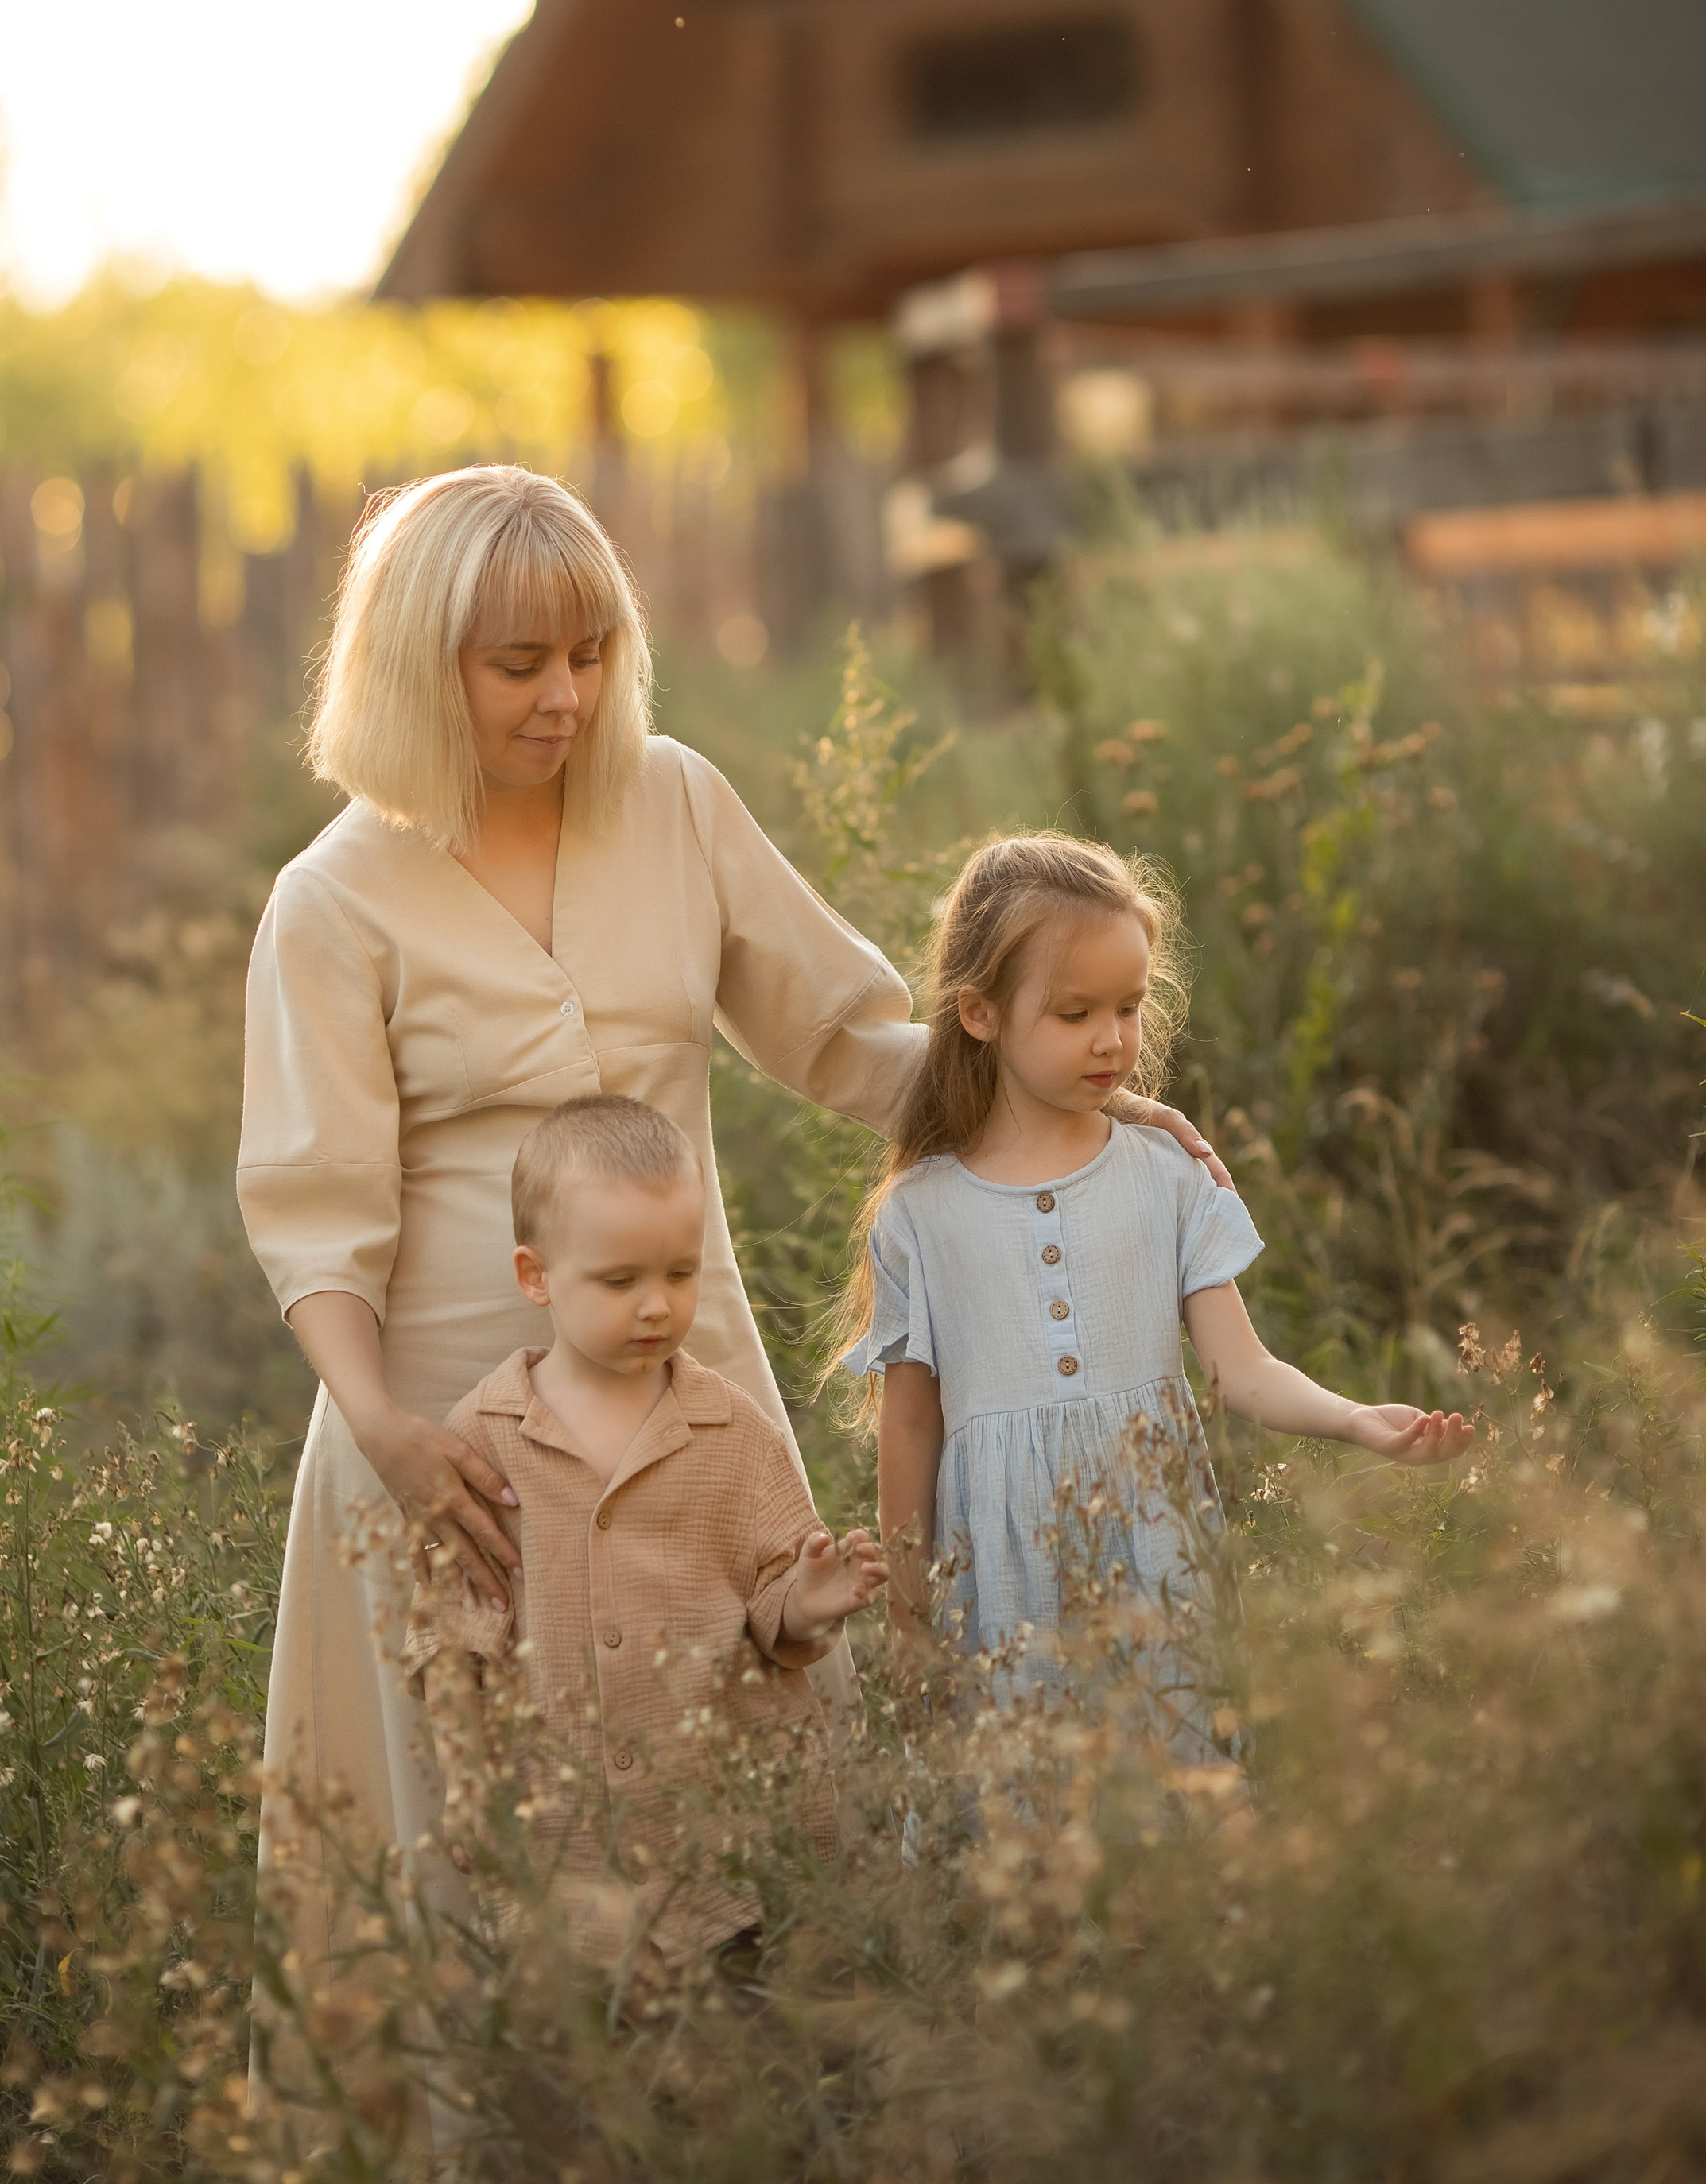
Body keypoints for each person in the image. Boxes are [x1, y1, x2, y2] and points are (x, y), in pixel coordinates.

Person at [235, 465, 1229, 1932]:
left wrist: (1041, 1087)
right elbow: (313, 1202)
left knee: (739, 1774)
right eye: (517, 664)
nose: (565, 695)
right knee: (474, 1841)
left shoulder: (675, 802)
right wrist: (383, 1428)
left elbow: (838, 1043)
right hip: (446, 1435)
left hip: (683, 1380)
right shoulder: (331, 901)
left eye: (589, 654)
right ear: (409, 666)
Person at [837, 832, 1472, 1744]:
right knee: (1023, 1823)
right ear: (978, 1014)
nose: (1111, 1039)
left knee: (1175, 1799)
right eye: (1073, 1014)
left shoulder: (1166, 1176)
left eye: (1130, 1007)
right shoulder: (921, 1213)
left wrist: (1355, 1419)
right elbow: (910, 1424)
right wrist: (909, 1618)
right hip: (1001, 1577)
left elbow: (1242, 1369)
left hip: (1156, 1554)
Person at [405, 1093, 885, 1963]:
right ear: (534, 1275)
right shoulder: (484, 1441)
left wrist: (809, 1602)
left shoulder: (733, 1433)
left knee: (741, 2075)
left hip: (726, 1865)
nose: (657, 1306)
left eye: (679, 1273)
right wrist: (468, 1786)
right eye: (620, 1281)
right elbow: (452, 1641)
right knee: (583, 2086)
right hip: (561, 1870)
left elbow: (774, 1608)